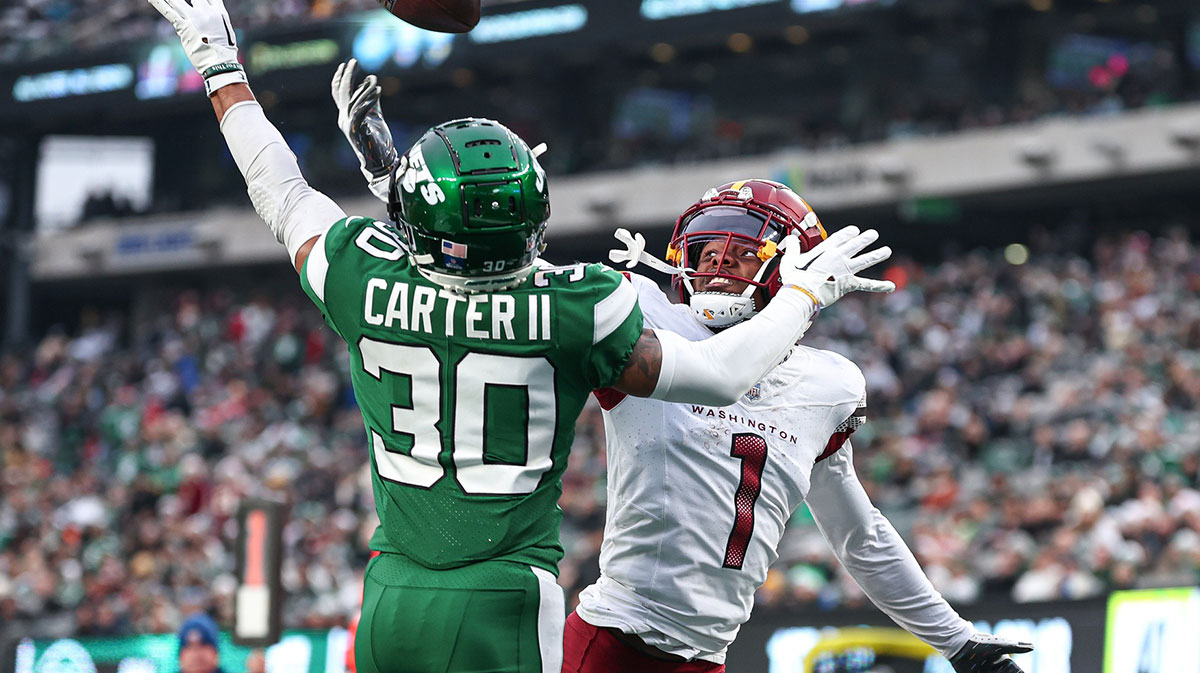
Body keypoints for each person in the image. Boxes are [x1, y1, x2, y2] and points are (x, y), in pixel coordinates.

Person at [147, 4, 896, 668]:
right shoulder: (574, 307)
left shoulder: (361, 275)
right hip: (504, 598)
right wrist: (803, 291)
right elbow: (721, 374)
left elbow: (280, 188)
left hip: (391, 592)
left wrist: (218, 60)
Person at [565, 179, 1034, 673]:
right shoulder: (646, 321)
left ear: (796, 267)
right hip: (614, 640)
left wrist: (957, 641)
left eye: (744, 251)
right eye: (704, 252)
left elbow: (859, 535)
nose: (716, 264)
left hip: (706, 657)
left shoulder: (827, 384)